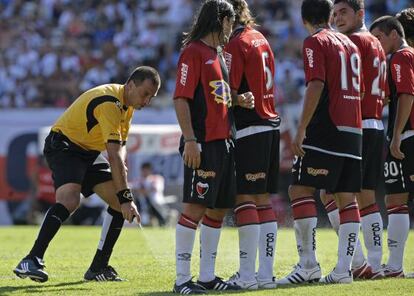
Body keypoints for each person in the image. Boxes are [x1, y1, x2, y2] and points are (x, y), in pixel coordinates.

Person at [13, 66, 161, 282]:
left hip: (88, 152)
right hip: (64, 144)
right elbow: (114, 156)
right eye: (145, 94)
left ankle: (98, 268)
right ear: (130, 85)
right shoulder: (110, 102)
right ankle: (31, 259)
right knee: (70, 200)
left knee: (118, 203)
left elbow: (121, 147)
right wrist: (126, 195)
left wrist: (123, 191)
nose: (147, 101)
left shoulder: (127, 106)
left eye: (152, 97)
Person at [277, 0, 363, 285]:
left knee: (299, 189)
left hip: (327, 127)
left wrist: (301, 128)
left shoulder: (315, 41)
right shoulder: (350, 43)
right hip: (354, 128)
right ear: (329, 15)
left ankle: (308, 264)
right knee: (346, 197)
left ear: (304, 19)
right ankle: (343, 269)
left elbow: (316, 83)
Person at [172, 0, 253, 293]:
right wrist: (191, 140)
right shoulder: (192, 52)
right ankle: (182, 280)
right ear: (221, 20)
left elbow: (217, 95)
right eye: (231, 22)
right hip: (203, 143)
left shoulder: (217, 54)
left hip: (225, 142)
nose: (233, 28)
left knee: (217, 210)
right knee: (195, 208)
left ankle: (206, 277)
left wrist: (237, 98)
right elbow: (181, 98)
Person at [319, 0, 387, 279]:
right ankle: (374, 262)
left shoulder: (350, 42)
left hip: (354, 125)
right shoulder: (376, 43)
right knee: (367, 197)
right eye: (334, 13)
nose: (337, 18)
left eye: (343, 12)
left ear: (360, 13)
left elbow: (349, 87)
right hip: (375, 122)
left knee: (329, 193)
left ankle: (359, 262)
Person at [225, 0, 279, 290]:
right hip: (271, 123)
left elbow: (230, 92)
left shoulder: (237, 42)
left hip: (250, 125)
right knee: (263, 200)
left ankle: (247, 276)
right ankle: (265, 275)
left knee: (245, 198)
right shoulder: (261, 38)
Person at [370, 16, 414, 278]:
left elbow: (408, 94)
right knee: (395, 198)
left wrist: (397, 134)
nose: (376, 44)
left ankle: (395, 265)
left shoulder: (401, 57)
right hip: (404, 134)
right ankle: (395, 266)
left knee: (396, 197)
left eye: (379, 38)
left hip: (408, 135)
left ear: (394, 35)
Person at [132, 162, 169, 226]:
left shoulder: (157, 178)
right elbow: (132, 187)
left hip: (156, 202)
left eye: (146, 170)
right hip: (143, 203)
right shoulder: (139, 180)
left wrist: (142, 191)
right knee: (141, 202)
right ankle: (143, 222)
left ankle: (162, 221)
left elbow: (155, 189)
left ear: (150, 170)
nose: (144, 172)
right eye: (143, 170)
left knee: (149, 204)